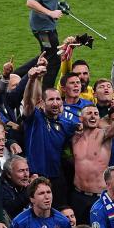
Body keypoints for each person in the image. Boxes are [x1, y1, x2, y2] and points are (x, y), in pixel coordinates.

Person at [71, 100, 114, 225]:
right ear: (80, 118)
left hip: (99, 197)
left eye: (96, 113)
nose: (93, 116)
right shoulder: (74, 137)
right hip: (77, 195)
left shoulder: (105, 134)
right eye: (89, 113)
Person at [21, 61, 79, 205]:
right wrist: (32, 80)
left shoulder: (66, 125)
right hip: (36, 177)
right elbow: (28, 102)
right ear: (42, 103)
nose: (55, 103)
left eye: (58, 99)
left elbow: (82, 129)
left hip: (57, 178)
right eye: (51, 99)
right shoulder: (35, 118)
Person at [26, 0, 65, 89]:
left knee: (49, 55)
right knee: (53, 59)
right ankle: (46, 92)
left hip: (48, 25)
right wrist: (51, 13)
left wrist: (58, 5)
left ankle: (19, 75)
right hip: (42, 28)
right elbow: (30, 2)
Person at [1, 155, 31, 221]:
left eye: (27, 170)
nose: (26, 175)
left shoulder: (23, 187)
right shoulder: (2, 189)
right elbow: (11, 208)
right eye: (21, 171)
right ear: (9, 174)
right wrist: (29, 189)